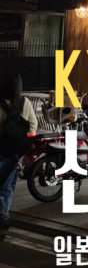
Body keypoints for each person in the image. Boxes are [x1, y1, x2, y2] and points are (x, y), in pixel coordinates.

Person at [0, 72, 37, 229]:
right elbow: (33, 124)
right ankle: (3, 214)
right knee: (7, 185)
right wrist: (20, 136)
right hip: (14, 151)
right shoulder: (24, 102)